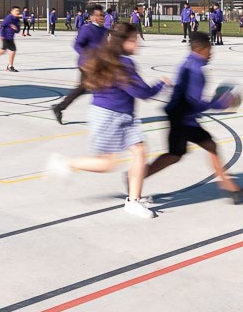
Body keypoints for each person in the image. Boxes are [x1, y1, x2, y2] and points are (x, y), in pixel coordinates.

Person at [46, 21, 163, 219]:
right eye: (134, 41)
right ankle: (66, 163)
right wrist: (161, 84)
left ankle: (133, 201)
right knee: (107, 164)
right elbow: (141, 92)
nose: (138, 45)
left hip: (123, 115)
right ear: (123, 42)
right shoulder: (123, 64)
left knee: (140, 152)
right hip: (108, 116)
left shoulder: (106, 57)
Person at [146, 33, 243, 203]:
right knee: (175, 155)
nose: (211, 53)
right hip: (183, 119)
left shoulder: (188, 63)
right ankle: (138, 175)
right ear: (202, 49)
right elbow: (194, 103)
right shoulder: (197, 71)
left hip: (182, 117)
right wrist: (219, 103)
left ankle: (232, 188)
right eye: (210, 49)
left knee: (204, 148)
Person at [51, 4, 107, 124]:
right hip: (87, 65)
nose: (101, 17)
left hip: (99, 65)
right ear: (91, 17)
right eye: (98, 15)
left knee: (82, 88)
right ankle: (102, 115)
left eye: (102, 15)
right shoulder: (87, 29)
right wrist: (88, 57)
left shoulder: (104, 30)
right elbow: (77, 45)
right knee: (101, 88)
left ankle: (59, 107)